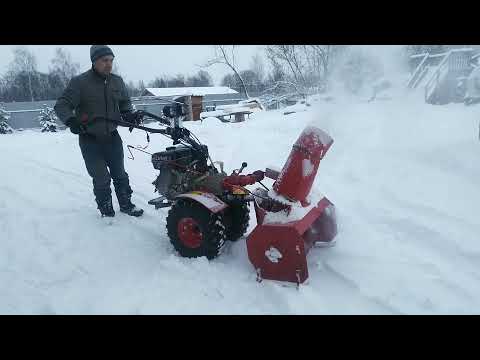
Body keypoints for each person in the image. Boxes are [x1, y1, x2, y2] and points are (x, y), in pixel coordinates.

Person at [54, 45, 144, 218]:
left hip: (112, 137)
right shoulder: (80, 82)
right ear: (94, 61)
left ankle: (126, 205)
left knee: (120, 174)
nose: (109, 64)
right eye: (104, 61)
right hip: (90, 140)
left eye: (111, 60)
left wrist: (129, 115)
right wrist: (71, 120)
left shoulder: (117, 81)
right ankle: (106, 211)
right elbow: (62, 105)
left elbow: (125, 103)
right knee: (101, 177)